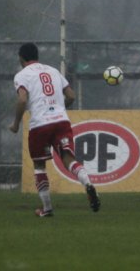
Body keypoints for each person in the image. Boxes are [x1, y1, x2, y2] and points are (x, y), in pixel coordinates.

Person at [9, 42, 100, 217]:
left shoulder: (22, 75)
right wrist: (59, 108)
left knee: (40, 166)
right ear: (37, 56)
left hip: (40, 124)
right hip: (61, 121)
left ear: (21, 58)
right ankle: (87, 182)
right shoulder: (54, 71)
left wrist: (15, 124)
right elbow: (71, 96)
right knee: (68, 158)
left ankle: (47, 208)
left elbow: (21, 101)